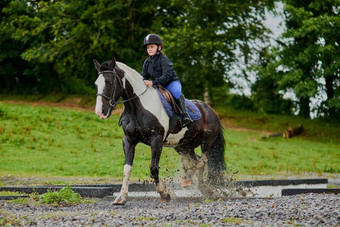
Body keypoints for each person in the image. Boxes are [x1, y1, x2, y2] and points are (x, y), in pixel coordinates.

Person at [141, 33, 193, 127]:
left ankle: (185, 116)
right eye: (148, 47)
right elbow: (143, 76)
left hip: (170, 83)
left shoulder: (164, 60)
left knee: (176, 92)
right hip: (158, 85)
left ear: (159, 47)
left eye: (152, 47)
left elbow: (167, 76)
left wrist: (152, 82)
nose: (149, 49)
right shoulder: (147, 62)